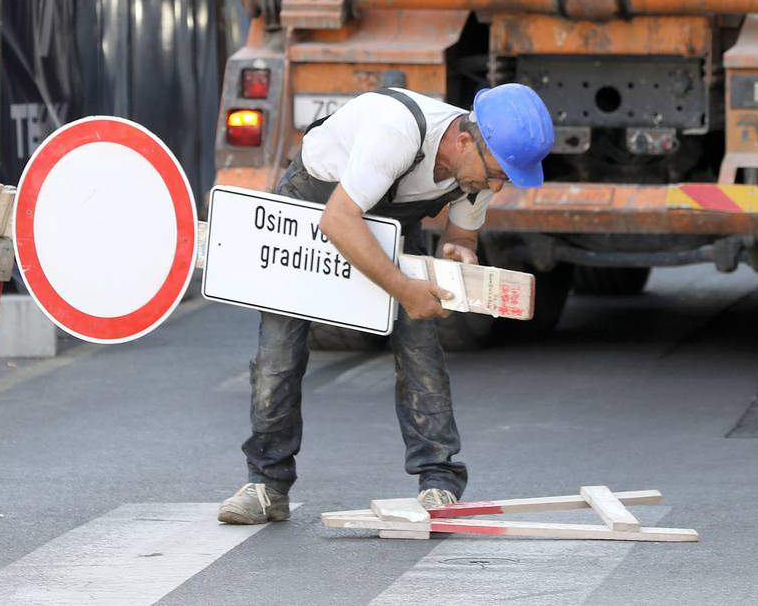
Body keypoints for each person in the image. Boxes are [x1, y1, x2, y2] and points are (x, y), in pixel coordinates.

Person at [216, 83, 554, 525]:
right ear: (465, 141)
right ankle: (266, 484)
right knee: (279, 352)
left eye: (504, 178)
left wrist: (459, 255)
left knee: (421, 347)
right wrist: (404, 288)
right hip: (315, 206)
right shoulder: (396, 132)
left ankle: (439, 481)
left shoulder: (483, 164)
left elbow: (461, 235)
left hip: (389, 219)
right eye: (497, 174)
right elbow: (338, 220)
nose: (497, 184)